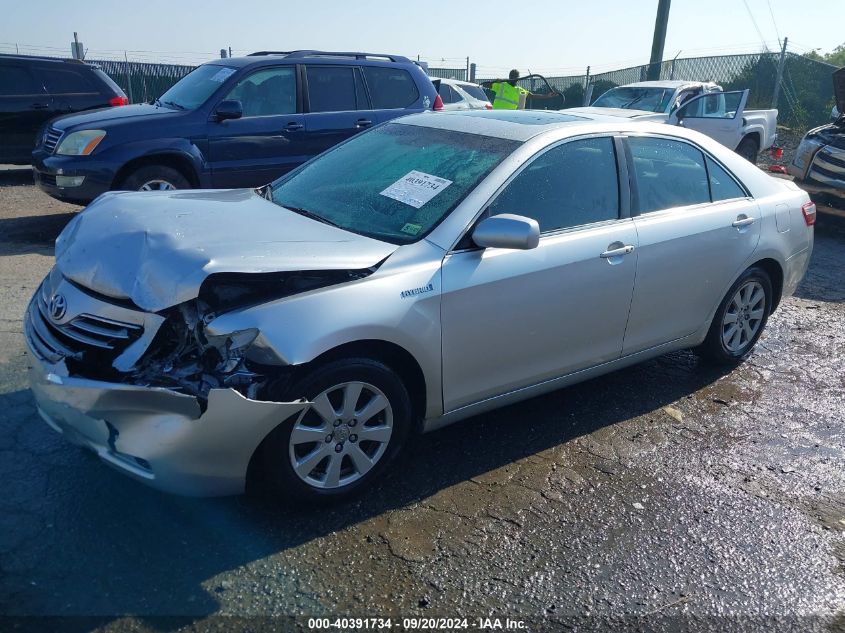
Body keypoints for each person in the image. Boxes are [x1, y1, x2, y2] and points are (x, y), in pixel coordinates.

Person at [490, 70, 559, 110]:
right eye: (512, 77)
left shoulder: (520, 90)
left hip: (509, 117)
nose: (514, 79)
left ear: (519, 78)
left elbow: (532, 96)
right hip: (496, 114)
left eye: (516, 77)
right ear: (509, 77)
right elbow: (485, 85)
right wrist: (494, 81)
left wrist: (547, 96)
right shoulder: (501, 85)